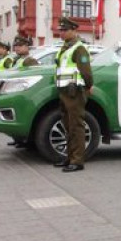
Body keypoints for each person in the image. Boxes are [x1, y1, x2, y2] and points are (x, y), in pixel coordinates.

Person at [53, 17, 93, 172]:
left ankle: (77, 161)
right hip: (64, 91)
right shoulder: (64, 48)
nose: (61, 33)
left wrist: (89, 85)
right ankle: (69, 157)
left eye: (65, 30)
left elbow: (86, 71)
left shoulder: (79, 48)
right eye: (60, 30)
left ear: (74, 31)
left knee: (76, 126)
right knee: (67, 126)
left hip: (74, 91)